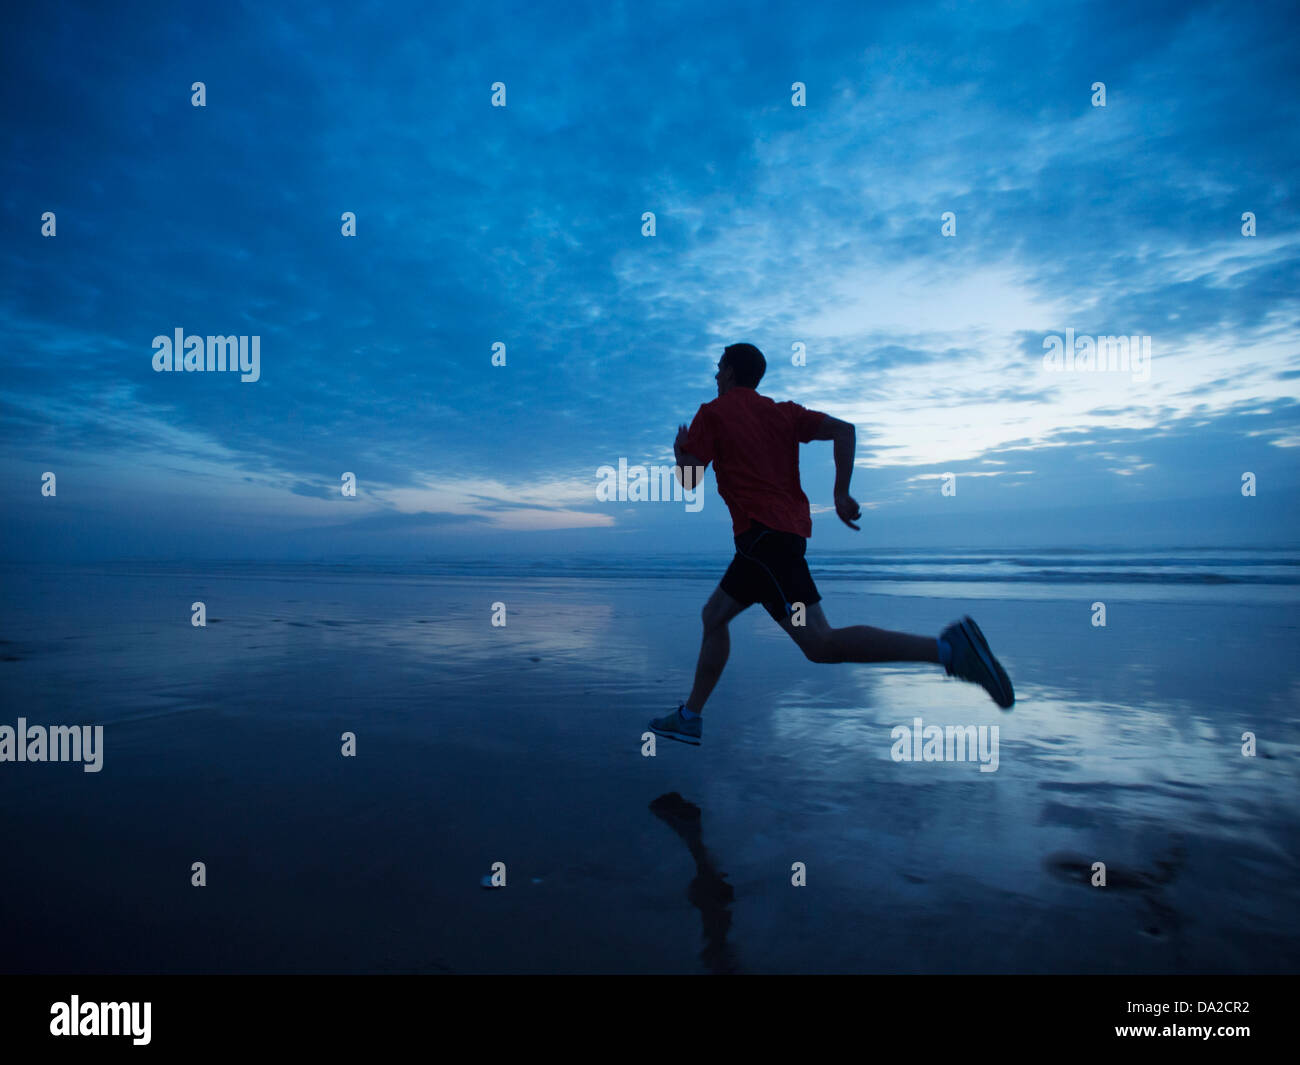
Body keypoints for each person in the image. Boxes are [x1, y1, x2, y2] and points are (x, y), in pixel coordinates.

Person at [649, 343, 1014, 746]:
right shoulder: (783, 412)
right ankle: (689, 716)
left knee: (821, 642)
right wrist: (841, 493)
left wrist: (680, 452)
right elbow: (845, 430)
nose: (716, 377)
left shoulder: (712, 413)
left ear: (732, 372)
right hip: (770, 547)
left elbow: (689, 482)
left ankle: (949, 650)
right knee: (714, 615)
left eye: (719, 370)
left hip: (764, 545)